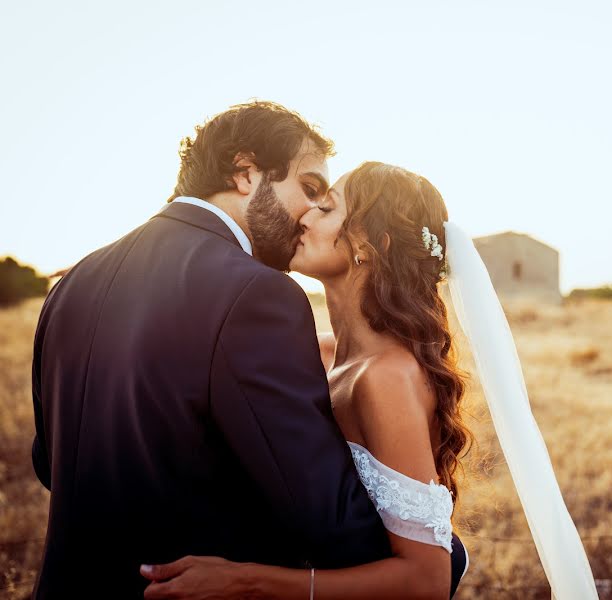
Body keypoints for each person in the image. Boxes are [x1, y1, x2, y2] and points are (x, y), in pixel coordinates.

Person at [30, 102, 467, 599]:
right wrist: (445, 555)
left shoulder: (74, 281)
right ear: (245, 173)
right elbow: (322, 519)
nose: (308, 214)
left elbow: (49, 464)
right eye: (309, 190)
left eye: (325, 203)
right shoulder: (253, 293)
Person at [139, 161, 600, 599]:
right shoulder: (315, 352)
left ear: (368, 243)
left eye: (326, 207)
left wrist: (245, 584)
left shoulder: (387, 378)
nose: (304, 216)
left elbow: (425, 583)